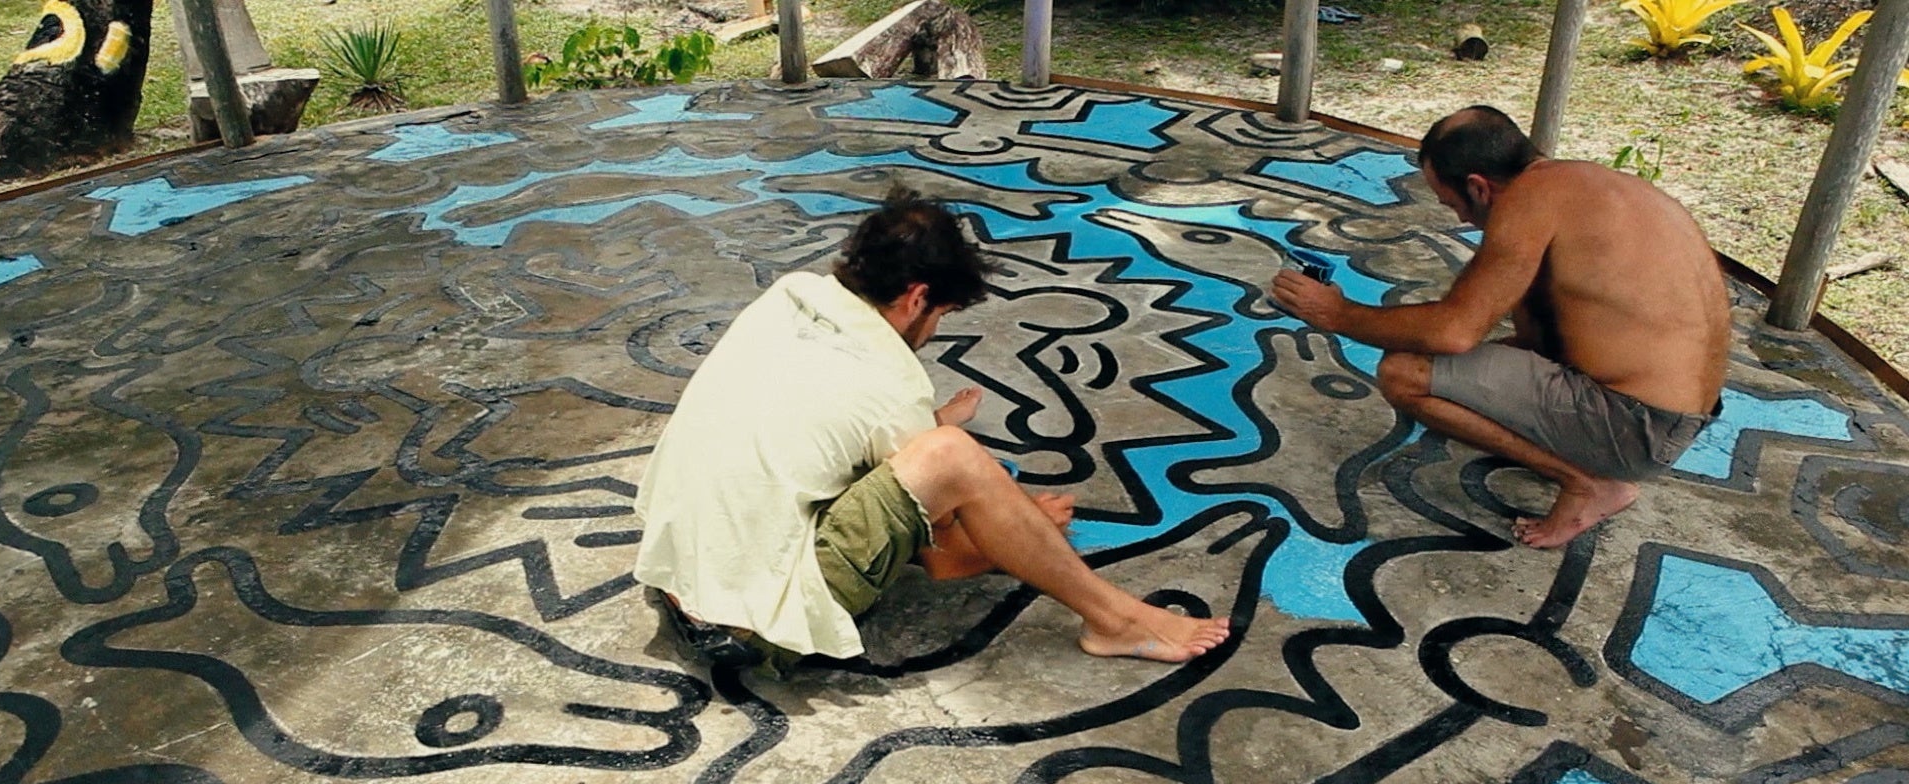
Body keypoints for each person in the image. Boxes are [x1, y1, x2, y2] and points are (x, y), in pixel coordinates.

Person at [633, 186, 1230, 672]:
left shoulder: (790, 295)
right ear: (917, 298)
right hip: (749, 629)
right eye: (942, 314)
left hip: (679, 577)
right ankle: (1116, 621)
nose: (935, 330)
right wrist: (1024, 530)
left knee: (923, 447)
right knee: (952, 455)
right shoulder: (887, 379)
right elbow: (945, 559)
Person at [1270, 105, 1729, 548]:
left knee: (1405, 370)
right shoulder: (1585, 185)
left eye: (1453, 204)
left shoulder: (1528, 201)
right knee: (1464, 364)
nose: (1461, 219)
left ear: (1479, 187)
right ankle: (1586, 458)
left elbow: (1453, 331)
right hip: (1675, 419)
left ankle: (1589, 484)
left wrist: (1337, 314)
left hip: (1635, 428)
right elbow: (1536, 340)